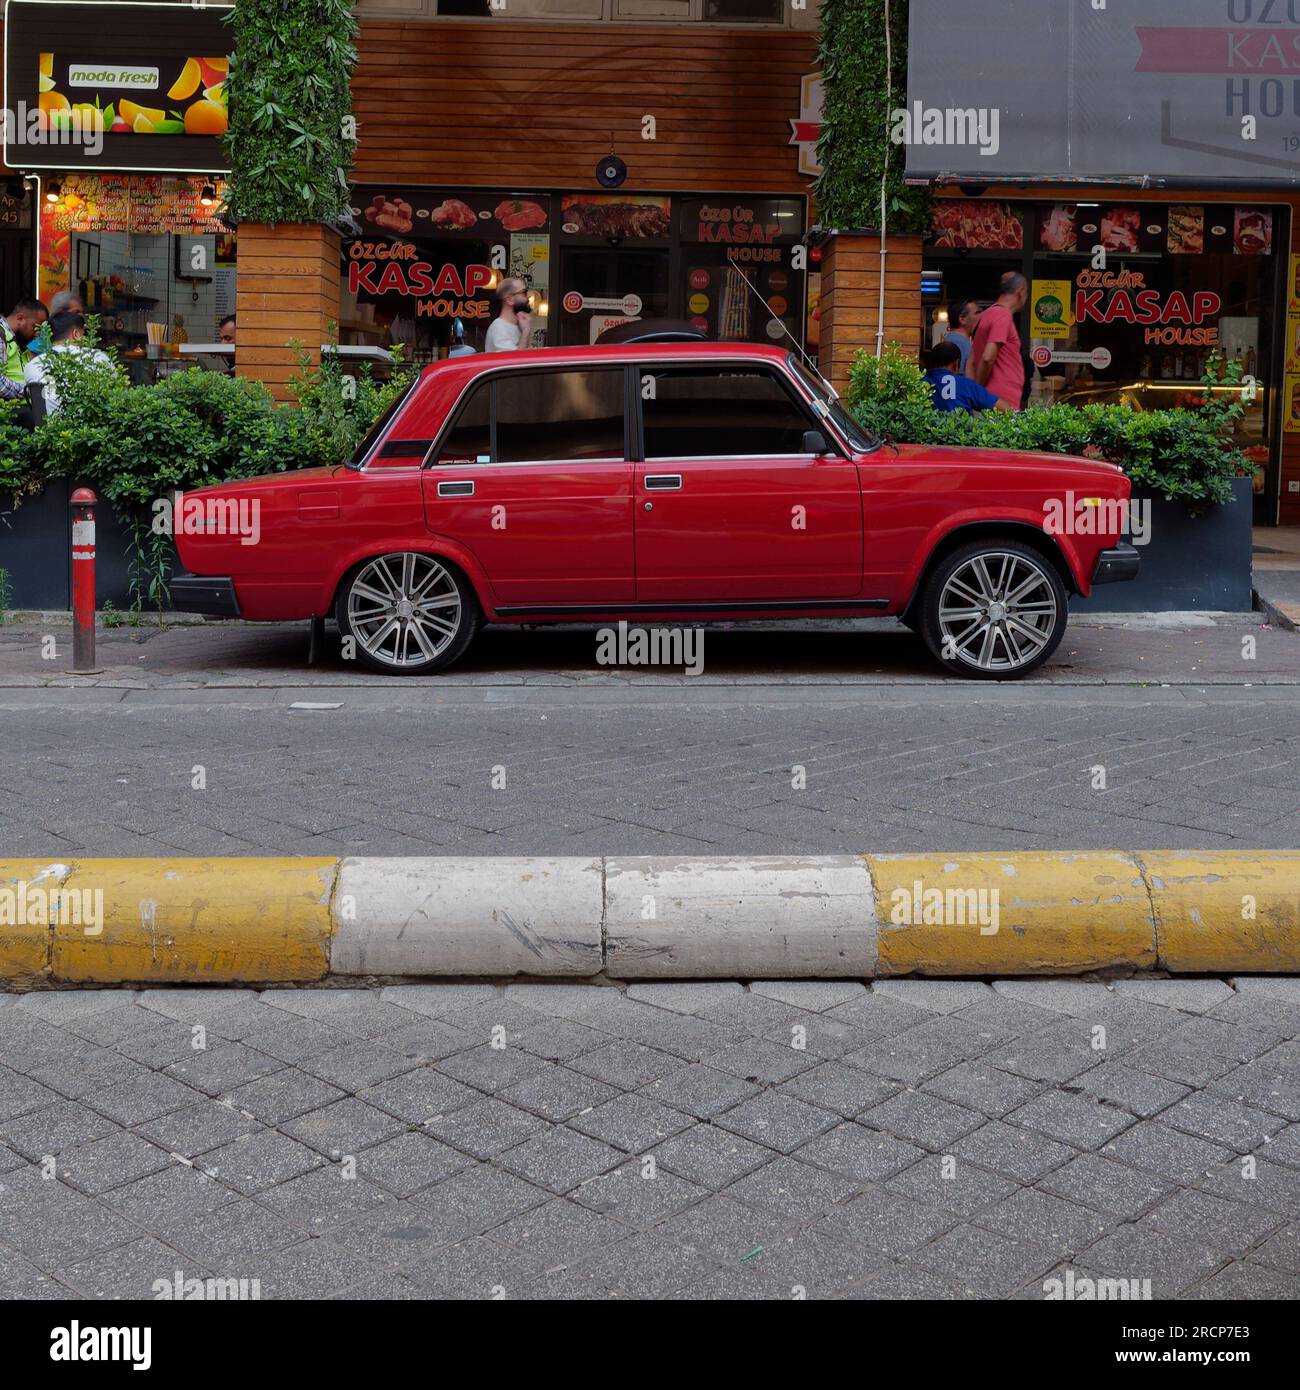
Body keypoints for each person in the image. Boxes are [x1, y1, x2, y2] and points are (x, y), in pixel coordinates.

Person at [22, 310, 112, 415]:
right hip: (87, 428)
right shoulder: (98, 358)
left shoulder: (32, 365)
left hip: (46, 429)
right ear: (76, 334)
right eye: (84, 335)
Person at [967, 271, 1028, 410]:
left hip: (989, 403)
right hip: (1001, 404)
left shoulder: (983, 316)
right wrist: (979, 391)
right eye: (1027, 292)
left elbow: (970, 362)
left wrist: (974, 393)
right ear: (1021, 291)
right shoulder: (1003, 315)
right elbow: (988, 357)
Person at [924, 341, 1005, 414]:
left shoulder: (919, 384)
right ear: (956, 363)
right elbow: (1004, 408)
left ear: (930, 363)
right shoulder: (966, 385)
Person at [0, 297, 49, 401]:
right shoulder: (1, 335)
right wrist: (31, 391)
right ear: (20, 318)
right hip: (10, 412)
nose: (37, 334)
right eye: (35, 327)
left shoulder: (19, 339)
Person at [484, 276, 532, 353]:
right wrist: (526, 332)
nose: (529, 295)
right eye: (524, 292)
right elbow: (516, 361)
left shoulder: (518, 325)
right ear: (510, 299)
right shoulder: (499, 328)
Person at [943, 298, 980, 372]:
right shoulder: (958, 343)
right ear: (962, 319)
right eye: (977, 313)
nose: (981, 316)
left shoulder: (956, 340)